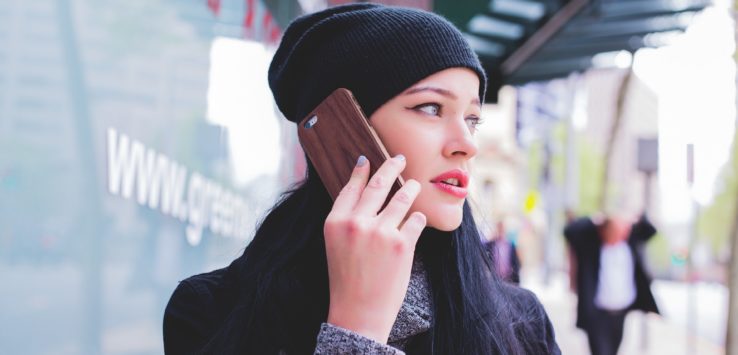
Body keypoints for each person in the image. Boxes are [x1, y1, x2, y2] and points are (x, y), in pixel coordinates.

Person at [163, 4, 561, 354]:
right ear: (341, 130)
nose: (466, 145)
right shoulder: (212, 313)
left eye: (471, 119)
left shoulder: (521, 324)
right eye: (430, 108)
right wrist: (357, 331)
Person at [564, 212, 660, 355]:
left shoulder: (630, 242)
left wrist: (637, 216)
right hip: (597, 314)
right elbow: (569, 231)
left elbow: (650, 230)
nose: (619, 235)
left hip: (621, 312)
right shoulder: (591, 244)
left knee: (613, 350)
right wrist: (594, 219)